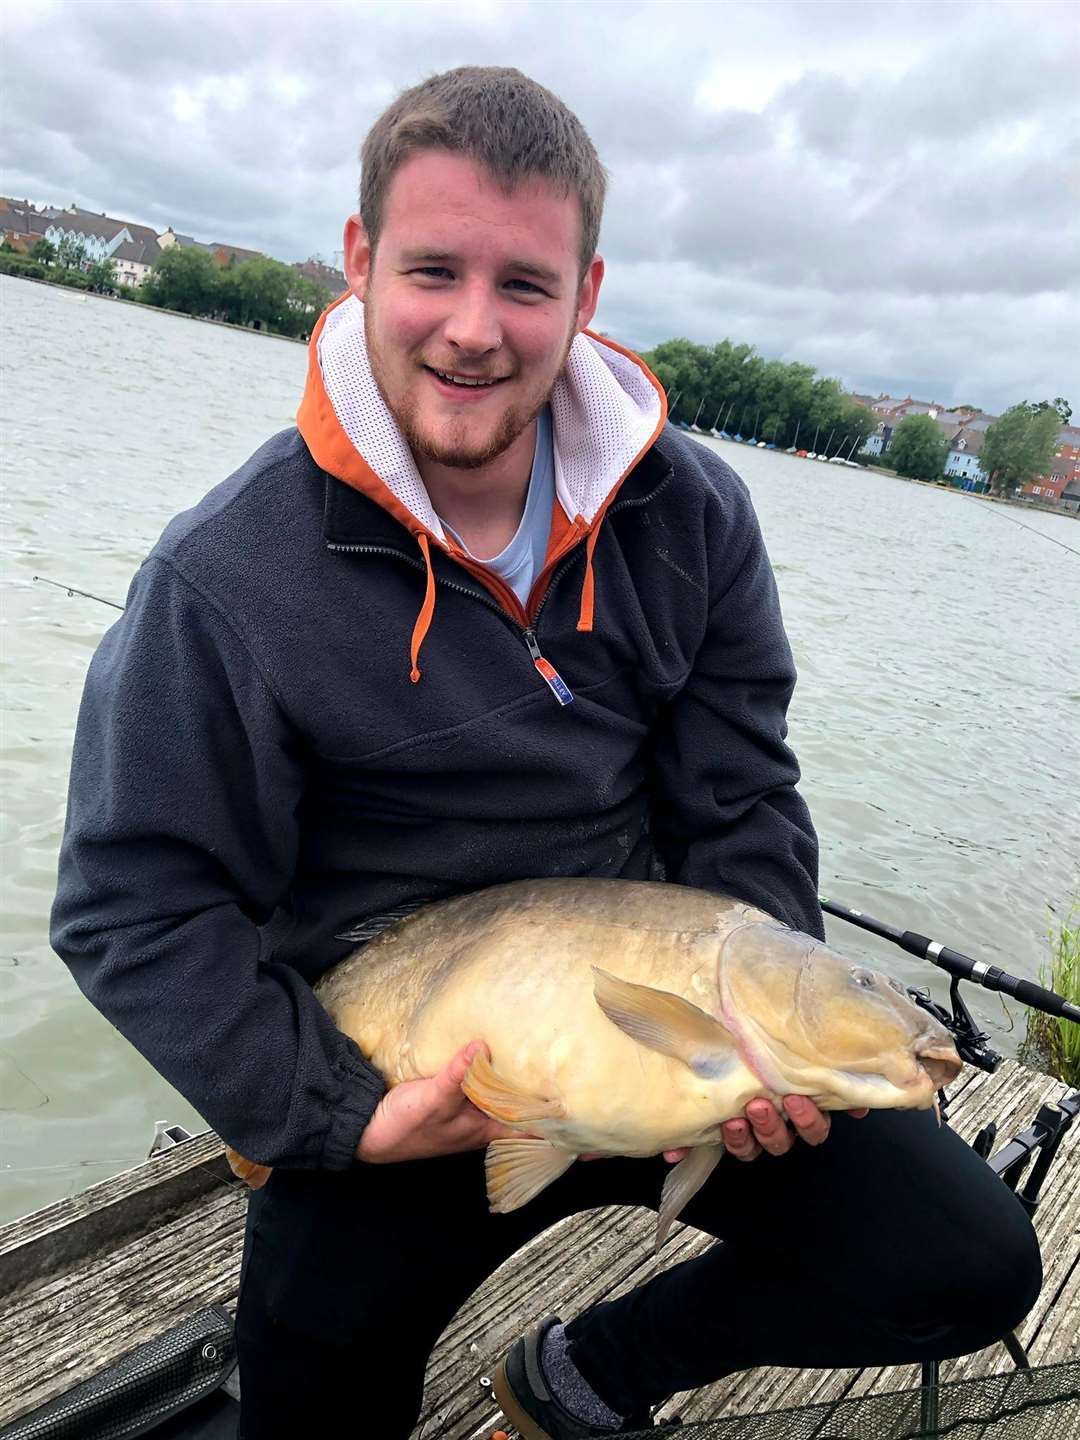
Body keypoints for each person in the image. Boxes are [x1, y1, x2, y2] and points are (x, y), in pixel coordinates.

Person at [51, 67, 1040, 1440]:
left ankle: (591, 1371)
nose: (472, 329)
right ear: (359, 262)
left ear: (585, 295)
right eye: (433, 271)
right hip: (411, 1087)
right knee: (305, 1413)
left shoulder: (692, 515)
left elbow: (740, 795)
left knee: (972, 1270)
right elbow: (131, 906)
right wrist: (334, 1113)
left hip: (668, 1035)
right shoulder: (226, 576)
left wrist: (760, 1032)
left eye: (524, 284)